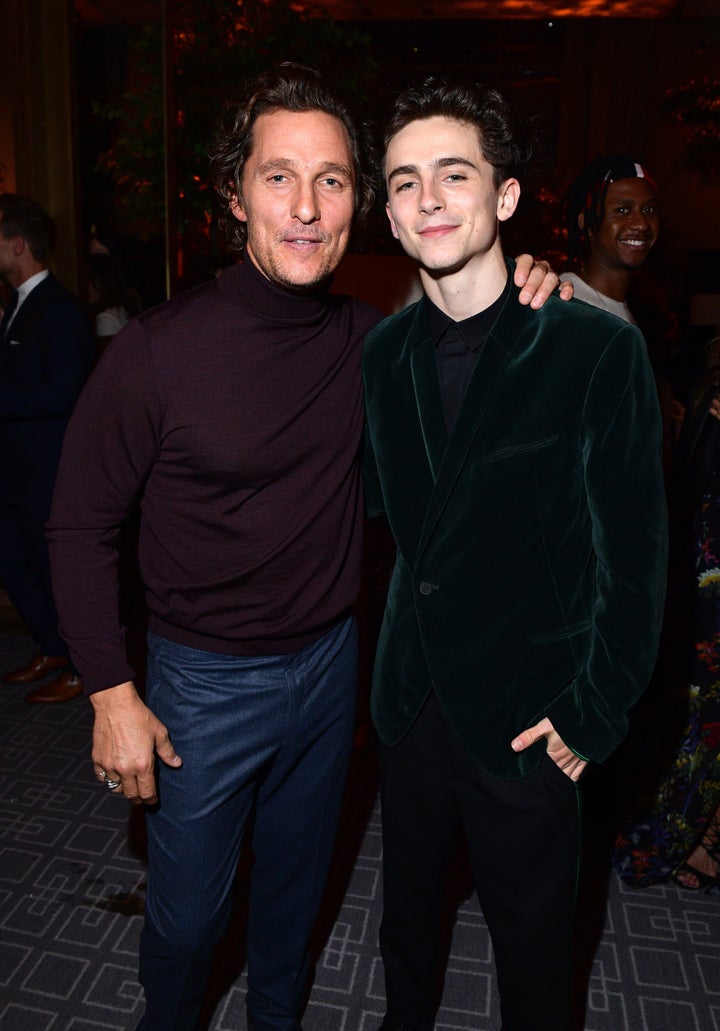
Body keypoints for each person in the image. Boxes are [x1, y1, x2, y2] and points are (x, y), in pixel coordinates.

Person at [46, 64, 566, 1031]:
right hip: (200, 685)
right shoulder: (157, 353)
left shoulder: (373, 344)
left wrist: (534, 279)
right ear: (232, 192)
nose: (306, 207)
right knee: (191, 922)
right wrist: (111, 691)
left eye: (331, 180)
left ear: (358, 201)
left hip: (330, 673)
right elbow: (79, 525)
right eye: (277, 176)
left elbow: (475, 366)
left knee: (294, 902)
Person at [361, 79, 668, 1031]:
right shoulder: (383, 355)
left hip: (531, 717)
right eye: (406, 182)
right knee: (404, 930)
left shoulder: (591, 349)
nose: (429, 200)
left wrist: (592, 708)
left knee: (534, 956)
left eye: (455, 175)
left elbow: (637, 559)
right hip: (411, 704)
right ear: (389, 211)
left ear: (504, 198)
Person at [0, 194, 94, 703]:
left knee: (59, 571)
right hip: (13, 467)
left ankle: (82, 667)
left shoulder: (61, 310)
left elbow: (66, 390)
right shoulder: (13, 306)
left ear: (18, 245)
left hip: (49, 469)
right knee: (14, 561)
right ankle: (51, 646)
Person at [562, 153, 659, 323]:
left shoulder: (626, 310)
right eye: (622, 210)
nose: (642, 224)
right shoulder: (564, 301)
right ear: (586, 223)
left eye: (648, 210)